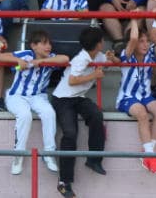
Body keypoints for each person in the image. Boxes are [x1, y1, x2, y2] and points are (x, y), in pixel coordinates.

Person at [0, 29, 68, 175]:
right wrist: (18, 61)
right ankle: (18, 155)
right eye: (44, 43)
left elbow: (65, 59)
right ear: (34, 46)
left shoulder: (51, 58)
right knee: (24, 115)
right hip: (17, 96)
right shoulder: (26, 54)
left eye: (49, 44)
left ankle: (49, 153)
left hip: (37, 97)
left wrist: (40, 61)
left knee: (49, 113)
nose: (49, 47)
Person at [50, 27, 110, 198]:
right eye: (102, 40)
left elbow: (108, 61)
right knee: (70, 133)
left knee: (96, 115)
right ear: (98, 43)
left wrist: (112, 57)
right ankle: (64, 182)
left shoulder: (97, 55)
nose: (103, 43)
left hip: (78, 98)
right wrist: (94, 76)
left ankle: (94, 159)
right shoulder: (81, 58)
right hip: (62, 99)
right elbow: (72, 80)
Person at [117, 19, 156, 174]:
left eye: (147, 41)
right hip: (127, 97)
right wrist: (133, 20)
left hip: (145, 95)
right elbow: (132, 38)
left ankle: (147, 152)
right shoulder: (127, 55)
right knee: (142, 114)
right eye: (141, 42)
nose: (146, 44)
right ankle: (151, 156)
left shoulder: (150, 54)